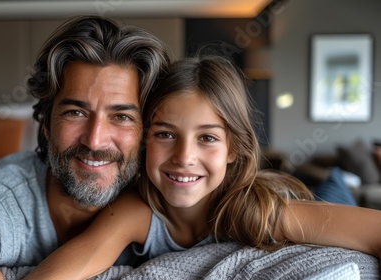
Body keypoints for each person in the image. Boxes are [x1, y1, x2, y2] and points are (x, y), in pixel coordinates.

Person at [28, 55, 381, 279]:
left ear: (233, 149)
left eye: (207, 138)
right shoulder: (138, 210)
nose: (184, 157)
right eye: (166, 134)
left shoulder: (261, 211)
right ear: (144, 140)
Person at [0, 15, 170, 280]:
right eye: (75, 112)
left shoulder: (170, 200)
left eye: (121, 117)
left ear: (145, 132)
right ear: (45, 123)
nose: (95, 140)